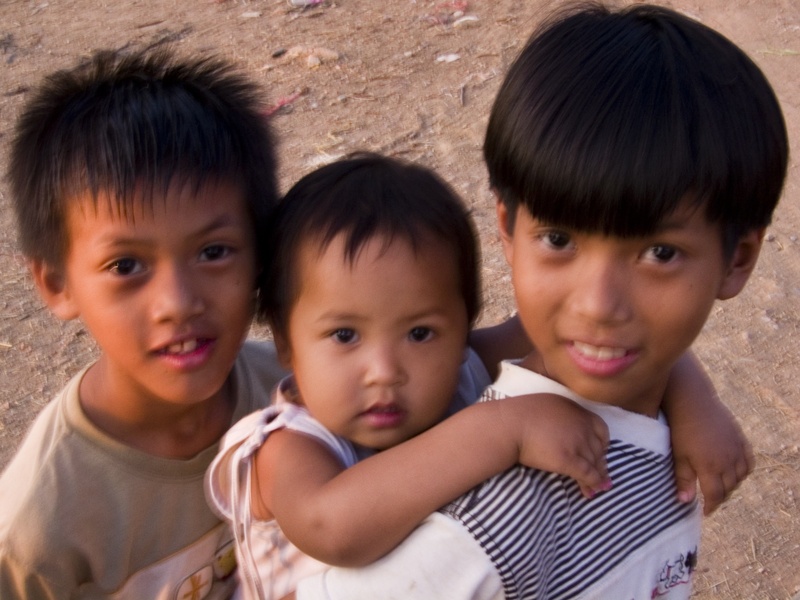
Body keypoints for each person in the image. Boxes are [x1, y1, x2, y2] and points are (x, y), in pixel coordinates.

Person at [293, 4, 788, 599]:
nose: (599, 304)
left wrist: (692, 392)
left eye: (659, 253)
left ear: (737, 259)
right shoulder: (492, 523)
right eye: (559, 240)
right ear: (507, 229)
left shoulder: (664, 416)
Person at [208, 153, 755, 600]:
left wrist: (693, 395)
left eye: (420, 332)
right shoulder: (287, 447)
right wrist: (503, 430)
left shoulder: (457, 364)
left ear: (461, 321)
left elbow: (580, 334)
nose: (385, 372)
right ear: (284, 340)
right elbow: (333, 530)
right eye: (344, 336)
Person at [0, 48, 285, 599]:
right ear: (57, 284)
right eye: (125, 265)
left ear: (263, 252)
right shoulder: (36, 530)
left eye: (214, 251)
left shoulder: (290, 392)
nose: (177, 302)